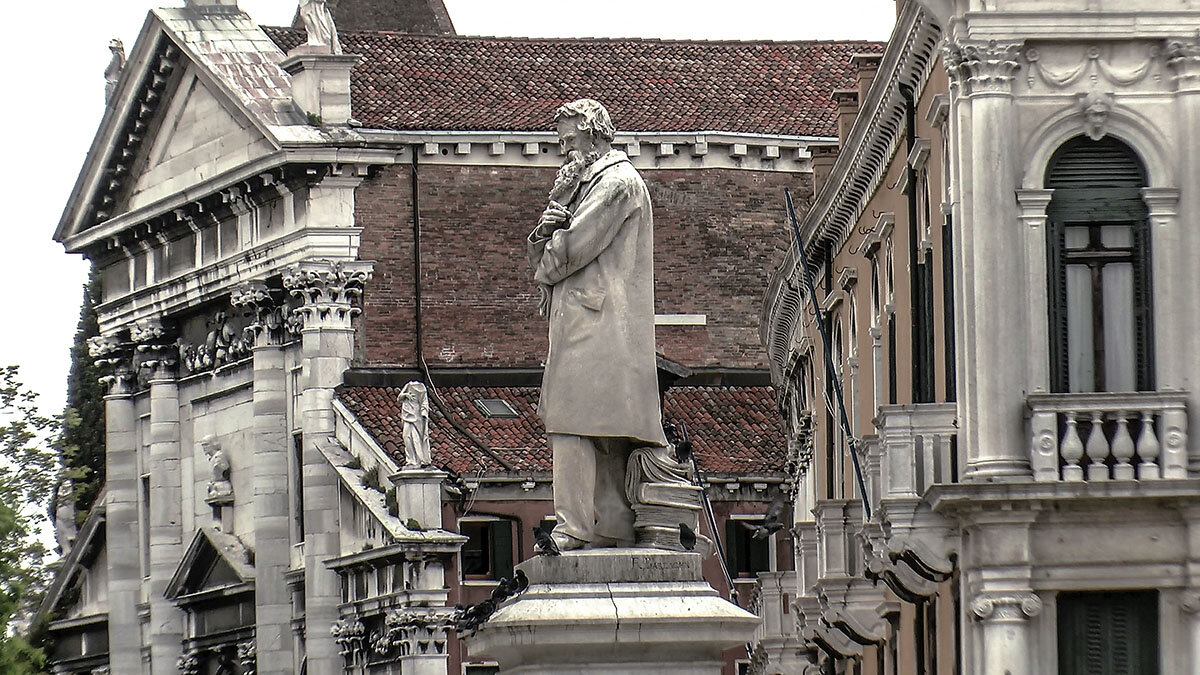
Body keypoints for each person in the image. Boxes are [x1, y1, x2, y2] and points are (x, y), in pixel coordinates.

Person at [528, 99, 667, 552]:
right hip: (593, 321)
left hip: (601, 323)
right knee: (601, 428)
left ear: (595, 134)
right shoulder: (595, 186)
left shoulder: (617, 184)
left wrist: (548, 245)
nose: (565, 150)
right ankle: (610, 525)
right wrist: (548, 228)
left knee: (569, 421)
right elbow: (554, 250)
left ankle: (572, 527)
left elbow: (570, 251)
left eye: (570, 140)